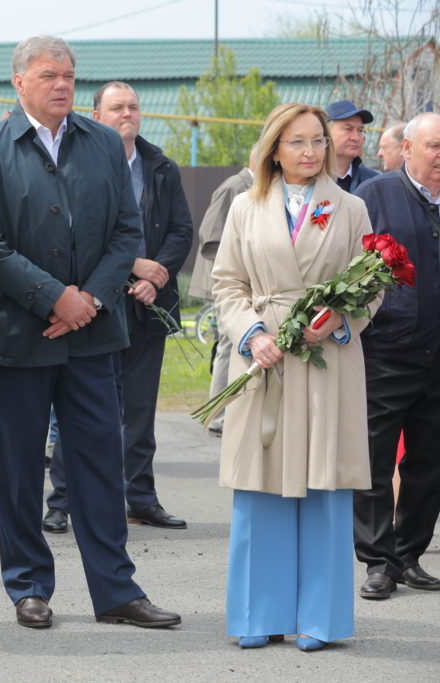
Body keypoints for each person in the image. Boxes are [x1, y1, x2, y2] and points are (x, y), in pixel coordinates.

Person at [0, 35, 180, 631]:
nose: (62, 84)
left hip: (91, 335)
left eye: (69, 74)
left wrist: (88, 299)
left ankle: (116, 591)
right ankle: (28, 586)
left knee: (99, 464)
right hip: (15, 335)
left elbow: (124, 230)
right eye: (49, 74)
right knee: (19, 466)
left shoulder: (103, 142)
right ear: (20, 84)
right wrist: (53, 296)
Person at [212, 102, 376, 651]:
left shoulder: (349, 207)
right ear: (274, 150)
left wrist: (338, 318)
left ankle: (320, 620)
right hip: (265, 359)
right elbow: (227, 285)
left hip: (327, 358)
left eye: (318, 142)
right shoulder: (245, 206)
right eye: (298, 142)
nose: (311, 152)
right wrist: (253, 334)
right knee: (262, 487)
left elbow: (371, 284)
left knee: (324, 486)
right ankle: (259, 614)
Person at [44, 81, 193, 532]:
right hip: (96, 303)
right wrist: (134, 267)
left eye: (133, 105)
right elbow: (75, 234)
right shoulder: (75, 163)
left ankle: (140, 497)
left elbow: (181, 232)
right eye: (117, 107)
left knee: (141, 411)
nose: (127, 113)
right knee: (83, 408)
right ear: (97, 115)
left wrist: (157, 274)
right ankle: (63, 502)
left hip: (149, 306)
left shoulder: (160, 165)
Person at [353, 112, 440, 599]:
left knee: (429, 463)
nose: (439, 156)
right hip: (387, 350)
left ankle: (409, 556)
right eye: (433, 146)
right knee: (374, 459)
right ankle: (378, 561)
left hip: (439, 357)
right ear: (406, 149)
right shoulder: (376, 195)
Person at [188, 150, 256, 437]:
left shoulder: (253, 187)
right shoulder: (234, 187)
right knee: (229, 344)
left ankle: (231, 412)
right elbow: (210, 237)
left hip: (242, 282)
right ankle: (218, 417)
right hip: (227, 283)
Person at [326, 99, 380, 193]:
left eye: (360, 130)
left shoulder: (375, 182)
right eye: (348, 129)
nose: (356, 138)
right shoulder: (308, 180)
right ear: (326, 134)